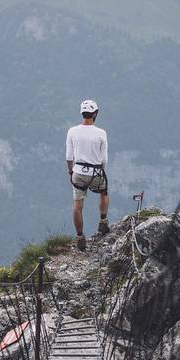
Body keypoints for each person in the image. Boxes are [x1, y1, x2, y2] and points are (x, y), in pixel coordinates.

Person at [66, 99, 109, 251]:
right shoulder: (101, 133)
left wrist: (71, 172)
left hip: (78, 172)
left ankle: (80, 238)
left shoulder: (72, 131)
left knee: (77, 205)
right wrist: (101, 172)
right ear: (95, 114)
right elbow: (104, 159)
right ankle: (103, 223)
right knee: (103, 192)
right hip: (96, 172)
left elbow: (69, 157)